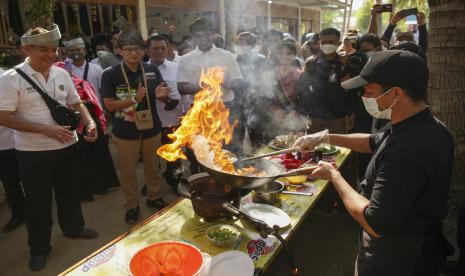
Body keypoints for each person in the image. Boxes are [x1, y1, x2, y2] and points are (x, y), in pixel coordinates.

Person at [294, 50, 454, 275]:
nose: (364, 97)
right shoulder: (424, 124)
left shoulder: (407, 151)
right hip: (415, 241)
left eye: (369, 91)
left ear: (396, 93)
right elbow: (372, 141)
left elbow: (375, 223)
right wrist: (324, 137)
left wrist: (334, 176)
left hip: (397, 256)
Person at [0, 24, 99, 271]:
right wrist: (46, 130)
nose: (51, 55)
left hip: (67, 146)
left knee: (69, 191)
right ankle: (40, 248)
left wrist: (89, 122)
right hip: (33, 153)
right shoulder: (11, 79)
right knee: (37, 202)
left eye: (54, 49)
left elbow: (76, 103)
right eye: (43, 49)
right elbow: (4, 116)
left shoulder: (61, 73)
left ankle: (74, 228)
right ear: (27, 49)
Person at [101, 28, 169, 224]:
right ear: (119, 51)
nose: (133, 53)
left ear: (143, 51)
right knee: (128, 171)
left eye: (138, 49)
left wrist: (162, 96)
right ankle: (132, 206)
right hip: (125, 131)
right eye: (128, 49)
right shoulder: (111, 74)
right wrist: (133, 99)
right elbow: (109, 104)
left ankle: (154, 197)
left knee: (153, 167)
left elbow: (161, 94)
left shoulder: (151, 69)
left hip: (151, 127)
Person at [177, 17, 243, 173]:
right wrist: (207, 82)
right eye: (199, 36)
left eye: (207, 34)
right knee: (199, 153)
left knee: (227, 150)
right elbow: (181, 87)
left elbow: (239, 83)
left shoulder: (227, 56)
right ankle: (201, 184)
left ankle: (229, 183)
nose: (204, 39)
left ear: (213, 35)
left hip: (224, 109)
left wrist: (224, 82)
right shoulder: (186, 59)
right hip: (198, 112)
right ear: (193, 38)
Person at [55, 61, 120, 200]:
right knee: (79, 161)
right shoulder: (53, 89)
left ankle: (103, 185)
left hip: (89, 124)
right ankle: (86, 192)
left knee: (96, 157)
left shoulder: (81, 83)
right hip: (69, 128)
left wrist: (82, 105)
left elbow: (94, 102)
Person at [296, 28, 356, 134]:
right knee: (313, 148)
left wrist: (351, 113)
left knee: (339, 148)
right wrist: (305, 113)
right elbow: (302, 89)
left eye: (331, 42)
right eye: (324, 42)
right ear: (319, 43)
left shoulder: (345, 64)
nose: (327, 45)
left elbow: (352, 91)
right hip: (315, 117)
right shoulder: (311, 63)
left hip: (339, 116)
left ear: (339, 43)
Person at [146, 35, 183, 191]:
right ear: (147, 51)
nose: (160, 51)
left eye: (163, 48)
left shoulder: (177, 67)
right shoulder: (141, 69)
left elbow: (183, 93)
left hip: (172, 120)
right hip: (150, 121)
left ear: (168, 49)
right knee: (151, 157)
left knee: (174, 155)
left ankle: (176, 181)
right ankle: (152, 183)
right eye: (155, 48)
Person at [234, 31, 274, 148]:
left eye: (243, 43)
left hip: (257, 106)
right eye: (237, 43)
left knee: (258, 141)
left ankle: (262, 164)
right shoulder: (232, 60)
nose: (239, 46)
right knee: (236, 139)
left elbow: (268, 84)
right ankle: (239, 163)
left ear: (251, 46)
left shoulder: (262, 61)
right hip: (237, 105)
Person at [0, 126, 25, 233]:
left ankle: (39, 212)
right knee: (9, 183)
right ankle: (18, 214)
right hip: (2, 148)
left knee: (32, 180)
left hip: (21, 143)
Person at [64, 37, 104, 103]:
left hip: (96, 107)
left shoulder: (97, 68)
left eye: (78, 50)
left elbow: (103, 89)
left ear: (84, 51)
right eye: (72, 51)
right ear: (67, 54)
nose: (75, 53)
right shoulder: (65, 71)